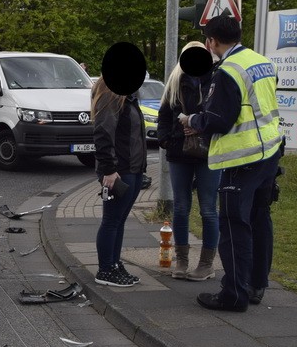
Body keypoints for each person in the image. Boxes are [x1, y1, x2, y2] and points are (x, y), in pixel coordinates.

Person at [180, 16, 283, 312]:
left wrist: (192, 120)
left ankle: (233, 294)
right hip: (269, 150)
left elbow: (220, 120)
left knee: (234, 224)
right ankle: (255, 283)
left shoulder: (227, 71)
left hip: (243, 156)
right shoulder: (261, 61)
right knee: (259, 218)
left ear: (211, 42)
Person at [157, 41, 221, 281]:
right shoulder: (175, 83)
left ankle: (206, 264)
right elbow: (164, 116)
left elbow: (221, 115)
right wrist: (166, 140)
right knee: (181, 208)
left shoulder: (215, 80)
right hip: (179, 152)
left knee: (208, 209)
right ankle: (182, 261)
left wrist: (198, 125)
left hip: (208, 153)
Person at [91, 76, 147, 287]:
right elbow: (103, 133)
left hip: (131, 168)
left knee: (119, 220)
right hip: (119, 170)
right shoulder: (111, 96)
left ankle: (113, 264)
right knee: (112, 220)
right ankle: (105, 269)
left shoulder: (128, 98)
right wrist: (109, 169)